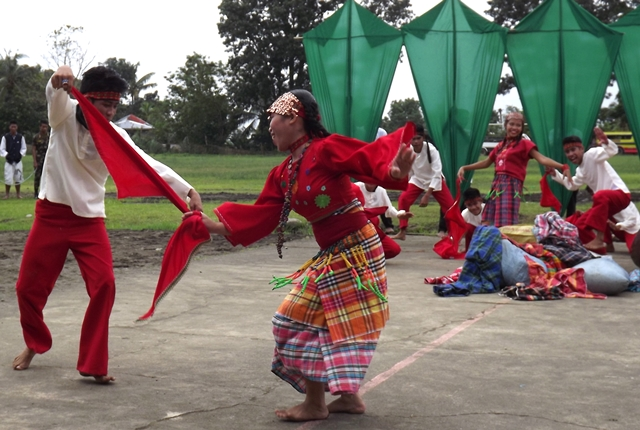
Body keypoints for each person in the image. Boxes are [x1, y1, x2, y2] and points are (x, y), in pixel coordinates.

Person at [185, 89, 415, 421]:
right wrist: (211, 226)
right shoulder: (283, 173)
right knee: (334, 323)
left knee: (292, 320)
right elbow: (262, 215)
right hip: (334, 253)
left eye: (273, 118)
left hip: (356, 249)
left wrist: (394, 173)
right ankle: (348, 399)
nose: (269, 127)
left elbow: (368, 161)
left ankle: (315, 403)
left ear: (294, 117)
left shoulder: (326, 149)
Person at [12, 65, 203, 383]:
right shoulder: (63, 117)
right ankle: (34, 343)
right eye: (105, 105)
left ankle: (93, 363)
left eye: (115, 106)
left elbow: (148, 165)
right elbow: (55, 93)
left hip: (89, 222)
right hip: (51, 216)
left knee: (105, 285)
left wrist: (188, 190)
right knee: (25, 289)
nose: (111, 112)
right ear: (87, 99)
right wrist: (60, 76)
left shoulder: (116, 135)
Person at [457, 112, 570, 227]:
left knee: (505, 223)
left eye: (518, 125)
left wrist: (562, 166)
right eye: (512, 124)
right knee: (488, 221)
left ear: (522, 128)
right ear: (506, 125)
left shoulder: (524, 144)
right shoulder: (501, 146)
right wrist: (465, 168)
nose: (515, 128)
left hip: (511, 185)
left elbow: (542, 159)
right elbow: (486, 162)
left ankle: (507, 244)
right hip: (496, 186)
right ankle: (491, 244)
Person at [550, 128, 639, 253]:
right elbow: (572, 185)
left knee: (599, 197)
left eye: (573, 149)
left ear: (581, 149)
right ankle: (598, 250)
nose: (570, 154)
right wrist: (555, 174)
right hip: (609, 211)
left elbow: (612, 151)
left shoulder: (592, 155)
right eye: (567, 152)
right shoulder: (580, 171)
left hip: (622, 199)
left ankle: (599, 239)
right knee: (580, 224)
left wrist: (605, 141)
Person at [391, 124, 454, 241]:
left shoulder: (432, 150)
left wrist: (427, 195)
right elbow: (407, 170)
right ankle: (402, 231)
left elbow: (437, 173)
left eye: (418, 138)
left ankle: (453, 233)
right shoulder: (407, 149)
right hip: (418, 179)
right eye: (413, 139)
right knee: (403, 199)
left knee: (450, 207)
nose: (415, 142)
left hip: (434, 180)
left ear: (423, 137)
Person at [353, 181, 412, 259]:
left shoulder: (381, 191)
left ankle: (363, 257)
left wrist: (399, 214)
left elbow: (389, 209)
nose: (370, 181)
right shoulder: (355, 187)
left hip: (372, 227)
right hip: (355, 226)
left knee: (393, 249)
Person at [0, 120, 27, 199]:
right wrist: (7, 155)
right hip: (9, 161)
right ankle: (7, 194)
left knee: (18, 177)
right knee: (8, 177)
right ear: (9, 127)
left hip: (18, 160)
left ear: (17, 128)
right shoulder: (5, 137)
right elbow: (2, 149)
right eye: (12, 127)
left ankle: (18, 194)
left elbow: (24, 148)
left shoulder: (20, 137)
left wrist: (20, 154)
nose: (13, 128)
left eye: (15, 127)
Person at [460, 187, 485, 251]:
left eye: (475, 203)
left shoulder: (487, 209)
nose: (473, 207)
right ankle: (469, 249)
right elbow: (461, 232)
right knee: (468, 227)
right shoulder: (464, 214)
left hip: (487, 238)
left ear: (480, 201)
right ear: (466, 205)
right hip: (473, 240)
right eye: (469, 205)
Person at [31, 120, 50, 198]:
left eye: (45, 127)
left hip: (48, 160)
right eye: (43, 127)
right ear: (40, 127)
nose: (44, 128)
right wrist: (35, 161)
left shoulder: (50, 136)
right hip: (39, 159)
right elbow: (33, 149)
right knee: (37, 176)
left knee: (48, 177)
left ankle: (46, 193)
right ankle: (36, 193)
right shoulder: (36, 137)